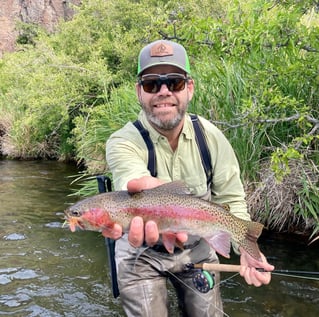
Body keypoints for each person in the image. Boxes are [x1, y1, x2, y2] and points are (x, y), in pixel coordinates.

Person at [105, 39, 274, 317]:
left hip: (197, 246)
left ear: (189, 89)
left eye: (174, 82)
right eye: (151, 84)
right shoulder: (123, 141)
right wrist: (156, 195)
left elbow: (231, 198)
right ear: (139, 92)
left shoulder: (211, 138)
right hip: (141, 253)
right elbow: (132, 179)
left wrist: (245, 248)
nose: (163, 92)